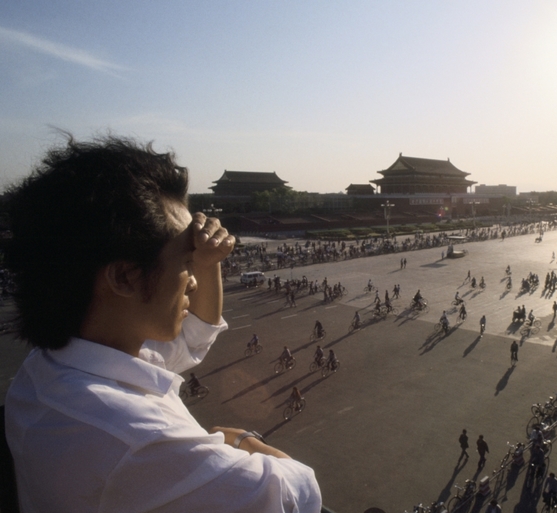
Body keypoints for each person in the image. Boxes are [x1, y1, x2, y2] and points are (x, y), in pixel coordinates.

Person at [3, 135, 320, 511]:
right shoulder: (139, 443)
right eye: (186, 264)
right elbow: (297, 493)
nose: (195, 279)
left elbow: (192, 339)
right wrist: (242, 441)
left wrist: (207, 259)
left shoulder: (44, 374)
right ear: (124, 277)